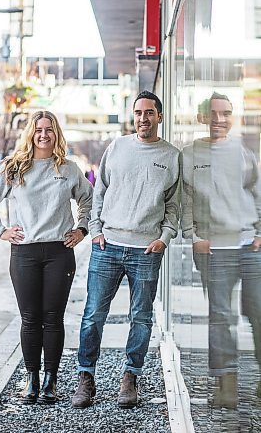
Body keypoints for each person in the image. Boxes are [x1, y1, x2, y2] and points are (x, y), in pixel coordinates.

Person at [0, 110, 93, 405]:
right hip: (25, 253)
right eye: (39, 129)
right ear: (31, 133)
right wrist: (0, 230)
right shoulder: (14, 168)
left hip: (58, 253)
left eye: (49, 130)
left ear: (56, 134)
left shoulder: (67, 169)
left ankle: (51, 380)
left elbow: (90, 199)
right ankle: (32, 378)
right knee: (30, 319)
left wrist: (82, 228)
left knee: (53, 318)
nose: (43, 134)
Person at [72, 90, 180, 409]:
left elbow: (174, 205)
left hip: (146, 249)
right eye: (138, 113)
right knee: (93, 316)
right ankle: (85, 378)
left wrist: (165, 237)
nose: (142, 118)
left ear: (159, 117)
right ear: (132, 116)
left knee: (142, 318)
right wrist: (95, 230)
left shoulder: (172, 156)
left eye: (149, 113)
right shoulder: (117, 147)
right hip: (108, 245)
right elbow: (100, 191)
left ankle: (130, 377)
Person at [182, 92, 261, 408]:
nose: (219, 119)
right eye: (213, 114)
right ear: (202, 117)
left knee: (258, 314)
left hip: (248, 248)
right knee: (221, 318)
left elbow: (256, 192)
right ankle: (225, 384)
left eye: (226, 113)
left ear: (232, 117)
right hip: (215, 251)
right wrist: (193, 236)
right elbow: (184, 200)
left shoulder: (243, 152)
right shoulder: (189, 155)